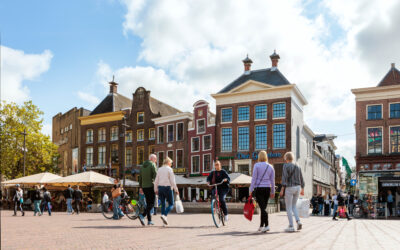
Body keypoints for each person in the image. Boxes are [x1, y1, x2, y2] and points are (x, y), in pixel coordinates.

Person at [250, 150, 275, 233]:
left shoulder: (256, 165)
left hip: (259, 188)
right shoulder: (270, 166)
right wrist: (273, 191)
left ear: (259, 157)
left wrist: (251, 189)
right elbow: (272, 180)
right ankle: (261, 226)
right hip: (267, 188)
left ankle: (267, 225)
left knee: (263, 208)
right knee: (263, 207)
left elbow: (254, 178)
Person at [280, 152, 305, 232]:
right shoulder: (298, 165)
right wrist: (303, 188)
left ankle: (291, 226)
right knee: (294, 206)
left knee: (288, 207)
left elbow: (284, 178)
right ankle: (298, 221)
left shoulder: (285, 165)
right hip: (298, 188)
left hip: (290, 188)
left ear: (286, 158)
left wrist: (282, 189)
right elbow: (301, 178)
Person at [154, 157, 179, 227]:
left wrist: (155, 189)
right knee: (171, 204)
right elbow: (173, 181)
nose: (171, 164)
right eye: (171, 163)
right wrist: (176, 190)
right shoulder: (170, 169)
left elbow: (156, 180)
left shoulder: (159, 169)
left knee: (163, 204)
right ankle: (164, 215)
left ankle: (164, 222)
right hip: (168, 188)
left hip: (160, 188)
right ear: (168, 163)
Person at [138, 154, 158, 226]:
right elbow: (155, 175)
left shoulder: (142, 166)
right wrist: (156, 185)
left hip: (144, 187)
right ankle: (142, 215)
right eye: (155, 159)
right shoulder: (152, 164)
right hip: (150, 186)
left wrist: (140, 187)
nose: (156, 161)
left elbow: (140, 177)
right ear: (152, 159)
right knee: (152, 204)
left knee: (148, 203)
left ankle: (149, 220)